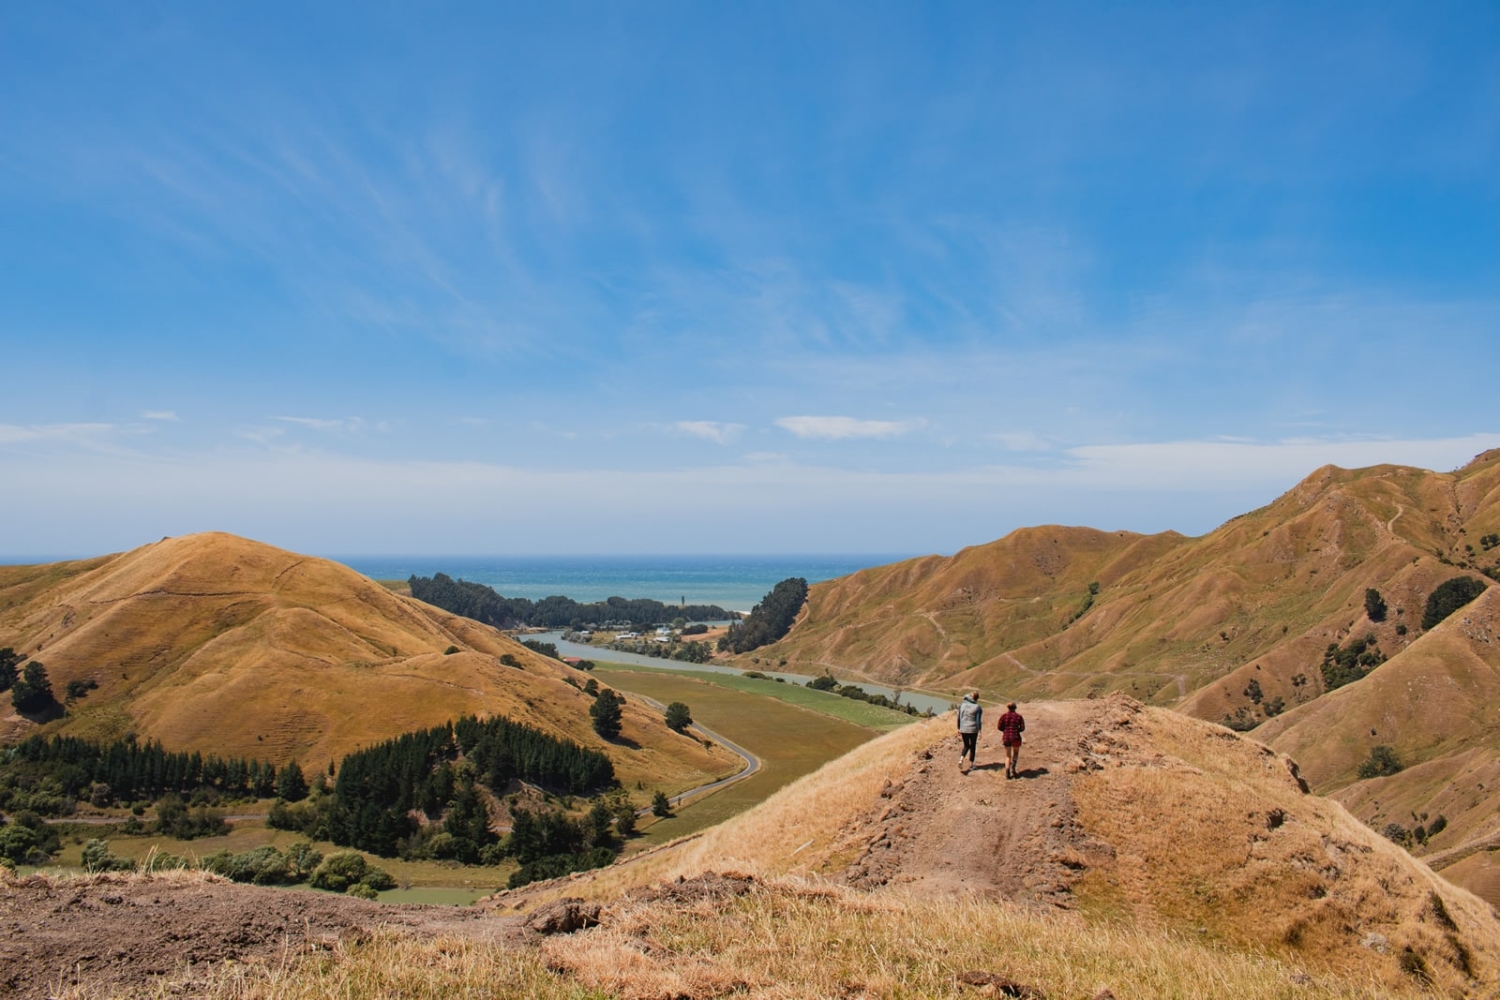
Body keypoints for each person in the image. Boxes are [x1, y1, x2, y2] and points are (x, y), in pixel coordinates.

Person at [956, 691, 982, 773]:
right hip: (973, 729)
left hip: (963, 728)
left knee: (966, 745)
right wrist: (980, 731)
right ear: (977, 699)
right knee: (973, 746)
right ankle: (971, 765)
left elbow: (959, 717)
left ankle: (961, 759)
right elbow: (978, 721)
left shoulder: (962, 705)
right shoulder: (977, 707)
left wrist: (958, 728)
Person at [998, 701, 1025, 779]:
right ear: (1015, 707)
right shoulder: (1019, 716)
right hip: (1016, 737)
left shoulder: (1003, 716)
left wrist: (1005, 730)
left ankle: (1007, 773)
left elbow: (999, 727)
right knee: (1016, 753)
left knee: (1007, 755)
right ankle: (1013, 765)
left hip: (1006, 737)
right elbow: (1022, 728)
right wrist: (1017, 730)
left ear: (1008, 707)